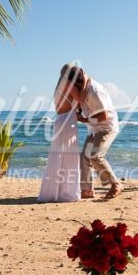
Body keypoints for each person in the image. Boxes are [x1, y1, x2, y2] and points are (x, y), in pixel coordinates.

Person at [62, 64, 123, 200]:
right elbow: (82, 107)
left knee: (95, 156)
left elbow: (103, 116)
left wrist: (83, 119)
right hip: (94, 128)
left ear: (78, 84)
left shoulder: (94, 91)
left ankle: (116, 184)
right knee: (84, 157)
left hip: (107, 127)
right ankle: (87, 191)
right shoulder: (82, 92)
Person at [37, 68, 81, 202]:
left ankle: (53, 192)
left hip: (60, 119)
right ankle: (65, 193)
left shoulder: (58, 87)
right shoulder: (68, 84)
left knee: (58, 156)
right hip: (68, 121)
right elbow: (80, 99)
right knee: (69, 157)